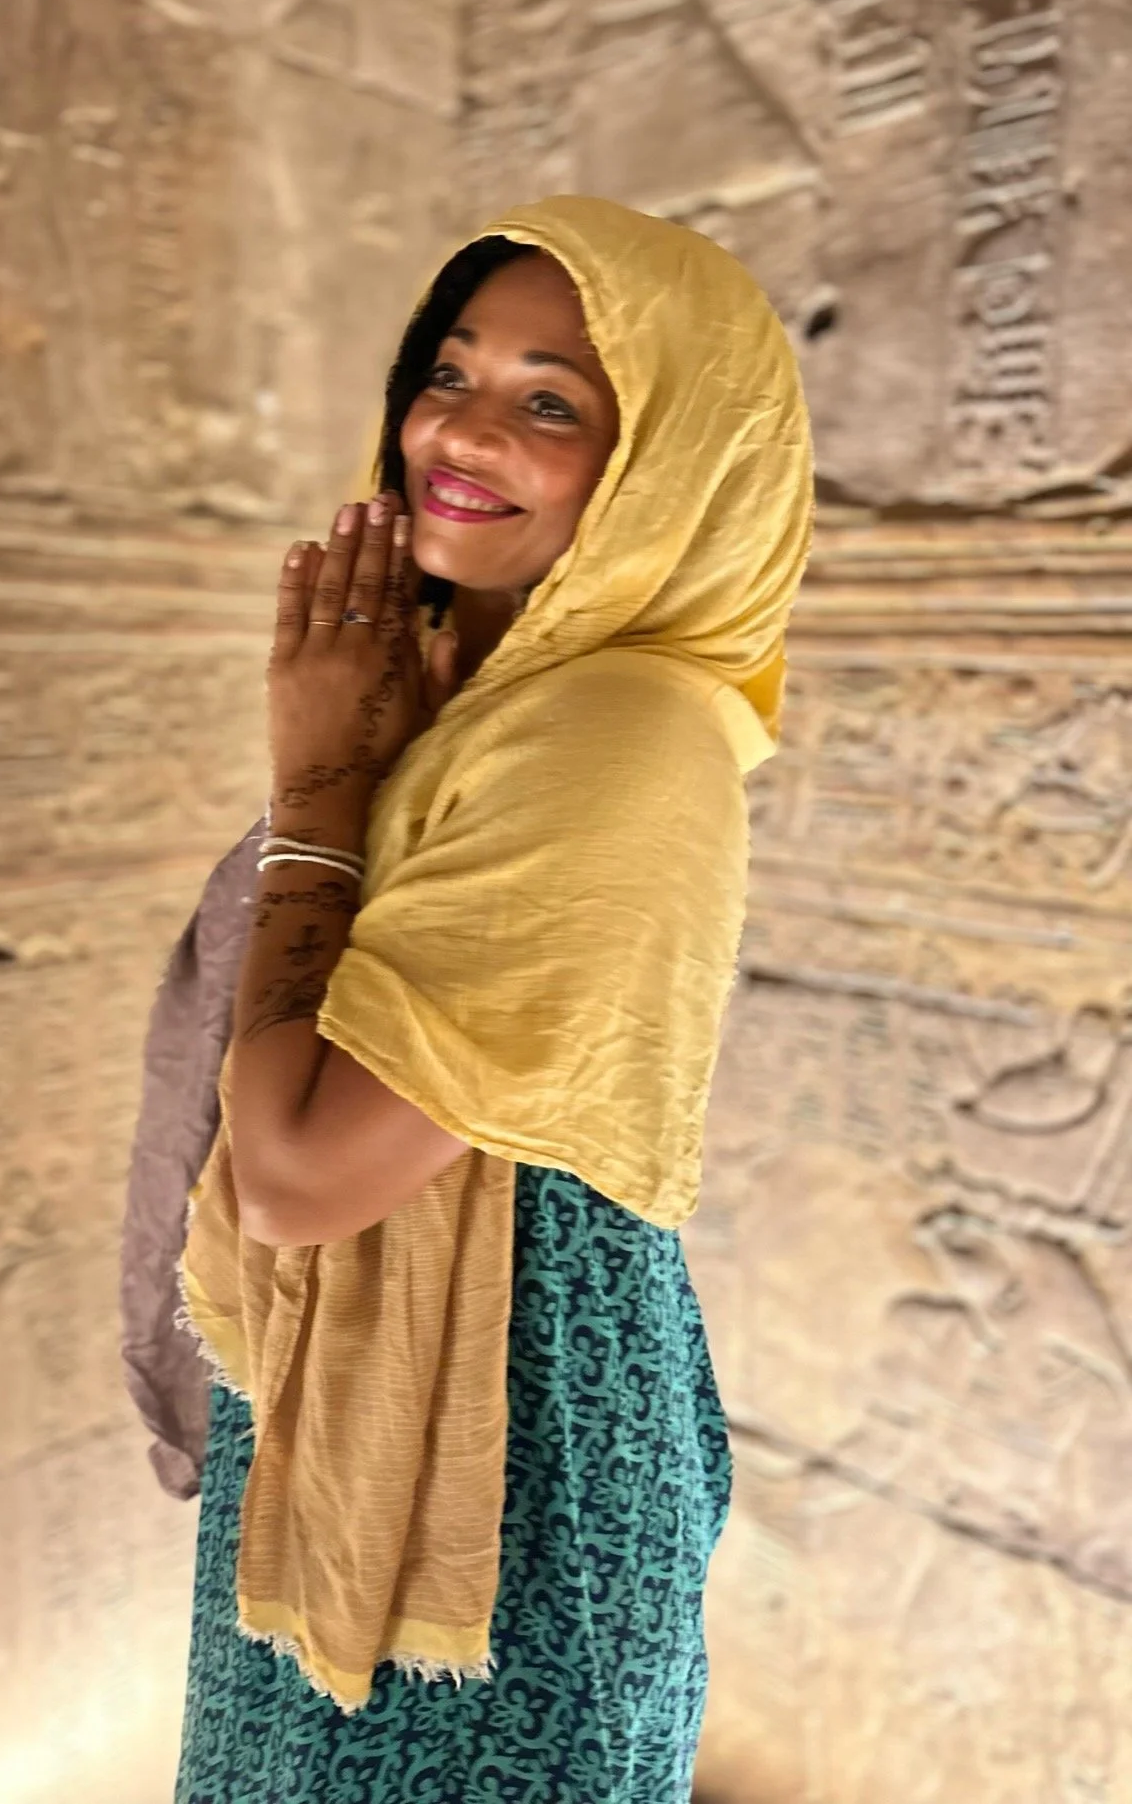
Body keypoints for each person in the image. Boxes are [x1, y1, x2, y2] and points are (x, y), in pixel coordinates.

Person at [149, 195, 812, 1801]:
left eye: (550, 403)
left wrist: (319, 783)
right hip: (381, 1396)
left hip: (506, 1449)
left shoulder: (620, 738)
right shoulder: (465, 699)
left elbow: (303, 1175)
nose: (458, 430)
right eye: (448, 373)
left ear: (667, 466)